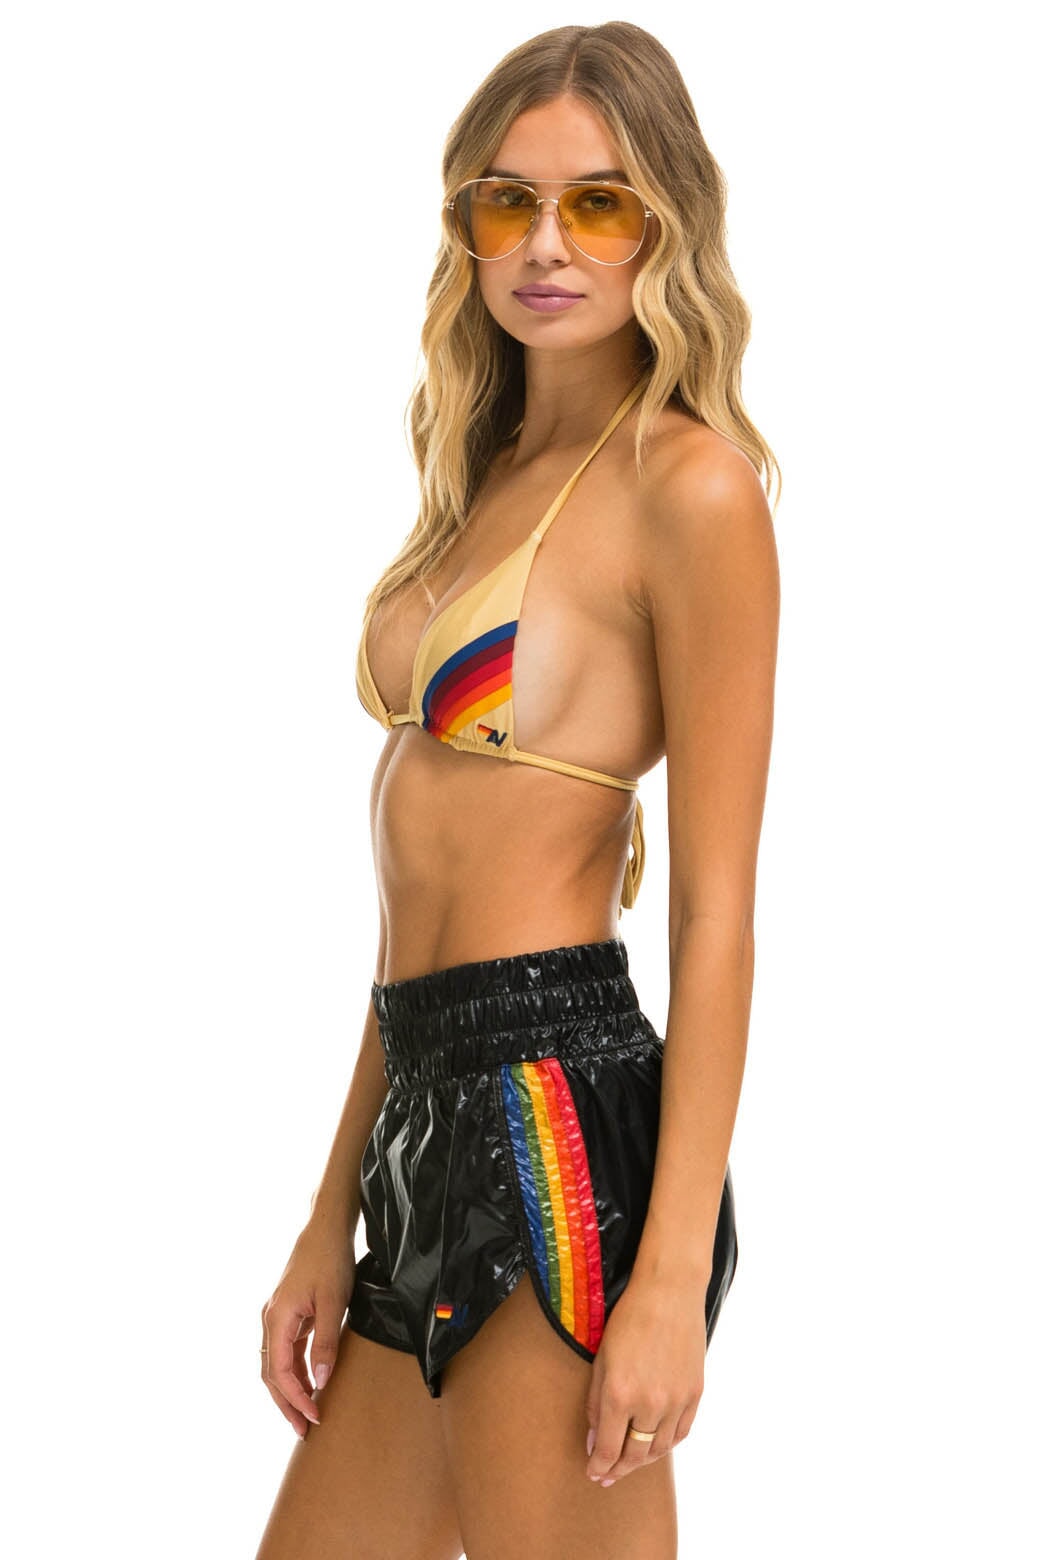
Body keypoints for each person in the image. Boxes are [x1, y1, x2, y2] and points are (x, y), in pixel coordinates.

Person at [255, 20, 780, 1560]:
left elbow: (717, 912)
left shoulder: (690, 489)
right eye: (509, 202)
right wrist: (329, 1213)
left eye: (597, 203)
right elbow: (412, 934)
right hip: (421, 1107)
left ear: (664, 221)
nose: (547, 243)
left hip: (552, 1124)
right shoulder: (482, 477)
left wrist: (668, 1276)